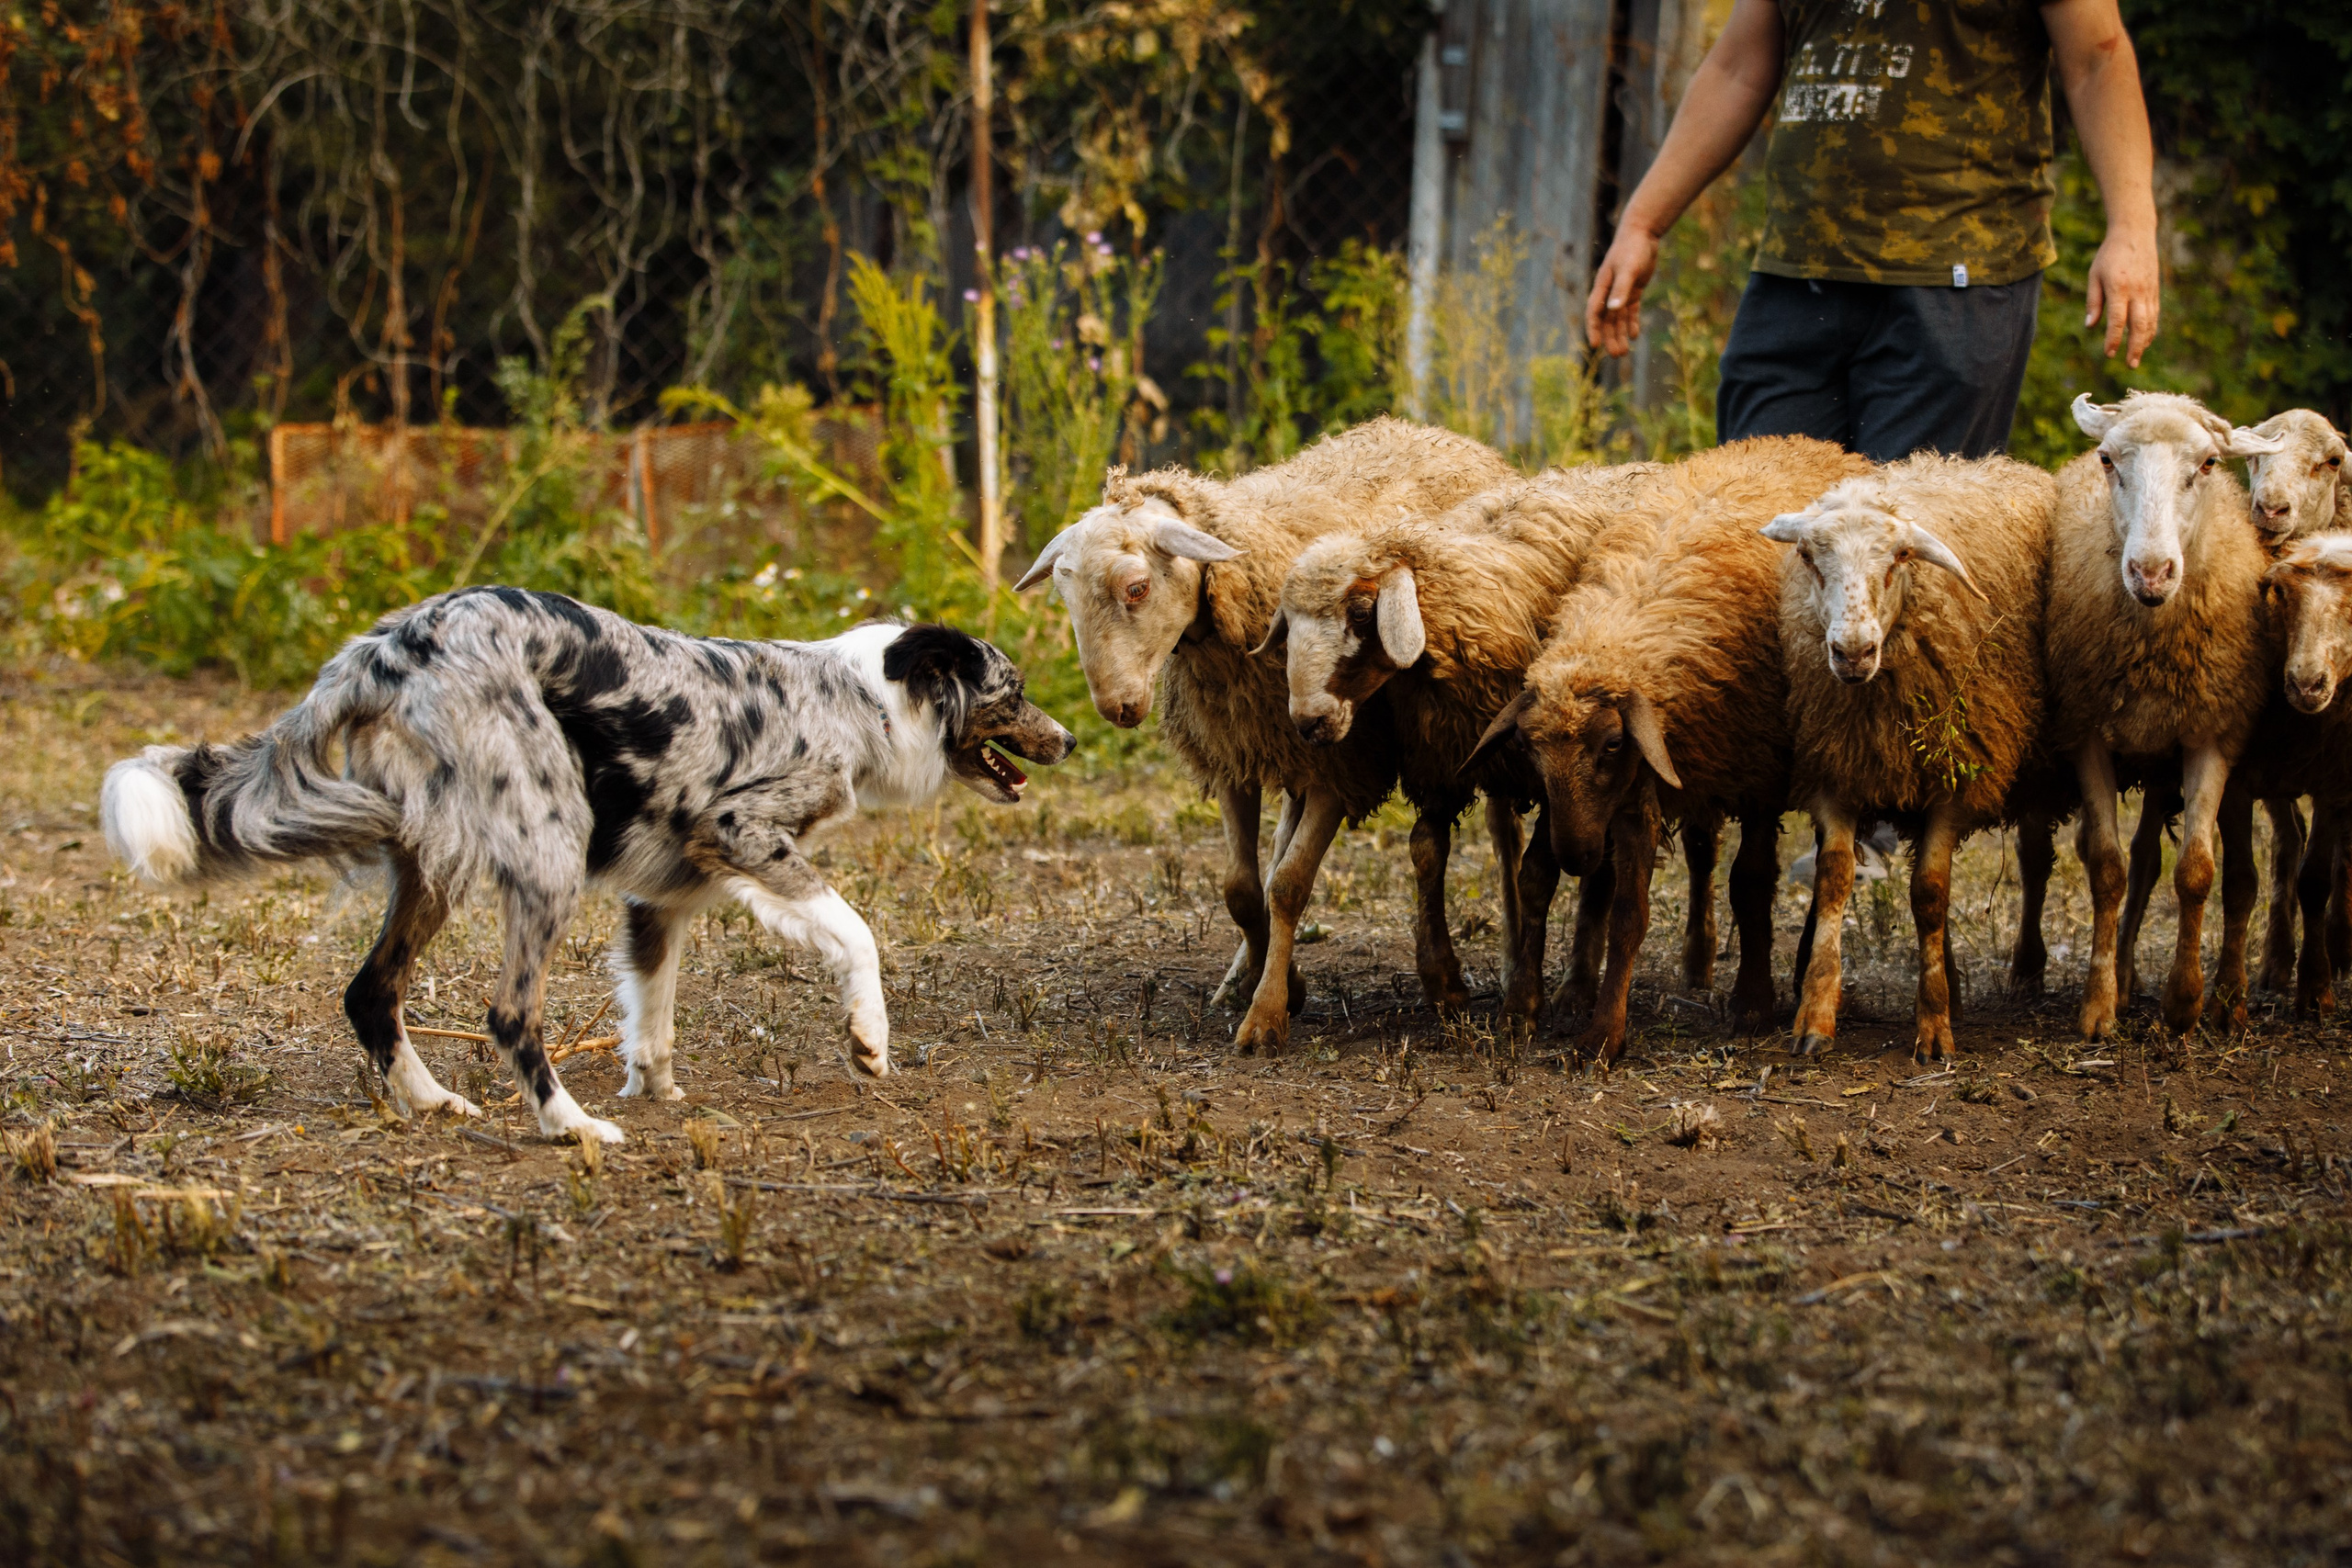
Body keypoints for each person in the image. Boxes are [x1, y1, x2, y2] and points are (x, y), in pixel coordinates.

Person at [1585, 0, 2159, 462]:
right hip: (1794, 275)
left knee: (1903, 551)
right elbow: (1738, 64)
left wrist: (2132, 227)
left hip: (1957, 278)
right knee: (1752, 542)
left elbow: (2097, 60)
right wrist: (1643, 222)